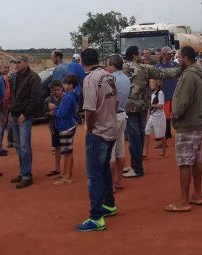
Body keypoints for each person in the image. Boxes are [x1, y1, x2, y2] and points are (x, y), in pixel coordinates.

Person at [75, 48, 118, 232]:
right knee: (105, 169)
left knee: (94, 175)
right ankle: (109, 204)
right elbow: (116, 102)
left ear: (82, 62)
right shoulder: (109, 76)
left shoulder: (90, 79)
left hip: (99, 132)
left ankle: (96, 217)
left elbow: (90, 110)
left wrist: (90, 130)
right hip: (111, 128)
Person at [122, 46, 180, 178]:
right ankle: (136, 166)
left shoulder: (122, 68)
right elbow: (165, 73)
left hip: (129, 107)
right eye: (140, 54)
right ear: (135, 55)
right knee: (140, 136)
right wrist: (180, 68)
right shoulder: (145, 68)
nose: (142, 56)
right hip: (143, 107)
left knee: (134, 138)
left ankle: (136, 167)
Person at [164, 46, 202, 212]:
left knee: (184, 162)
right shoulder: (196, 72)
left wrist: (175, 115)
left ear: (185, 58)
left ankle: (183, 201)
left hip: (187, 123)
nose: (178, 60)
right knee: (195, 160)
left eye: (179, 57)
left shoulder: (189, 75)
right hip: (196, 121)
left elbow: (183, 102)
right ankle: (197, 194)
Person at [10, 56, 41, 189]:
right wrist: (12, 111)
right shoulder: (15, 77)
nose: (16, 65)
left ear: (26, 63)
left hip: (24, 116)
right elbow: (14, 95)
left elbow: (35, 98)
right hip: (16, 114)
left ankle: (27, 175)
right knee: (17, 145)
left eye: (19, 62)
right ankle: (24, 172)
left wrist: (25, 113)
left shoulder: (34, 77)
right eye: (15, 62)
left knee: (24, 146)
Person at [105, 54, 130, 191]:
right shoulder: (126, 78)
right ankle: (118, 181)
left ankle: (110, 184)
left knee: (111, 152)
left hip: (113, 116)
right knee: (120, 150)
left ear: (113, 66)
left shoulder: (111, 79)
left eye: (108, 65)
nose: (106, 67)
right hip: (123, 115)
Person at [49, 75, 79, 185]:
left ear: (71, 85)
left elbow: (63, 113)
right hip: (66, 125)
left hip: (66, 126)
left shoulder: (69, 96)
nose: (64, 85)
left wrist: (54, 110)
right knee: (66, 152)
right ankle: (65, 173)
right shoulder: (69, 95)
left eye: (66, 84)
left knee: (67, 152)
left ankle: (68, 176)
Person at [155, 46, 179, 142]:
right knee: (165, 116)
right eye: (169, 54)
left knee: (176, 114)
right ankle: (166, 133)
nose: (171, 55)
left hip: (175, 93)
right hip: (164, 94)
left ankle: (178, 133)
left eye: (172, 54)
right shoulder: (157, 67)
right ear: (163, 54)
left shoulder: (175, 64)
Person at [44, 81, 64, 178]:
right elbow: (44, 113)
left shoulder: (65, 98)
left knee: (68, 149)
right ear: (51, 91)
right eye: (54, 90)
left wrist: (56, 110)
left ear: (62, 89)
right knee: (57, 148)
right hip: (54, 126)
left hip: (65, 126)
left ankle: (67, 170)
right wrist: (49, 113)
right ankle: (57, 168)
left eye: (58, 90)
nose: (56, 92)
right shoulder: (48, 100)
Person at [143, 79, 167, 158]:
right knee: (146, 132)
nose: (150, 84)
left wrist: (151, 106)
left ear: (157, 83)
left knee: (161, 135)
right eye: (150, 82)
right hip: (152, 116)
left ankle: (164, 151)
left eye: (152, 82)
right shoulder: (152, 93)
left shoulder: (160, 93)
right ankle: (145, 152)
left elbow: (161, 106)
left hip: (159, 117)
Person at [0, 60, 12, 157]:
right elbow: (2, 94)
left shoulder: (2, 78)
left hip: (2, 105)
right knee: (0, 128)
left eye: (8, 68)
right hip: (0, 106)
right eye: (5, 67)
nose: (7, 69)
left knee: (1, 127)